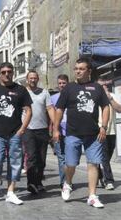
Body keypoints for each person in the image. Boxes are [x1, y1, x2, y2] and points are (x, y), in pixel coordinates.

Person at [53, 58, 110, 208]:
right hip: (72, 134)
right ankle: (68, 182)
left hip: (93, 134)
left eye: (81, 68)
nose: (78, 71)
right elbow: (59, 109)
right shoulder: (69, 88)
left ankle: (92, 195)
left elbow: (106, 107)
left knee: (93, 164)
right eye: (76, 68)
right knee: (70, 164)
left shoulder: (97, 88)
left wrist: (104, 127)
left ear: (89, 71)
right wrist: (56, 129)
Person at [0, 62, 32, 205]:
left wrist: (22, 129)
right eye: (3, 71)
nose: (6, 74)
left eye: (9, 71)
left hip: (15, 133)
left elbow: (28, 110)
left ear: (13, 72)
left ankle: (11, 192)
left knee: (15, 163)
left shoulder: (21, 90)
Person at [22, 70, 55, 194]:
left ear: (38, 79)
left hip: (42, 129)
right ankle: (31, 183)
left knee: (41, 159)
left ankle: (38, 182)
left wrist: (55, 126)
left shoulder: (44, 92)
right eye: (30, 78)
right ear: (27, 79)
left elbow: (50, 109)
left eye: (35, 78)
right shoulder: (22, 92)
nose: (33, 80)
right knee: (31, 157)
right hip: (28, 129)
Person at [96, 78, 116, 190]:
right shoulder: (94, 97)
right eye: (100, 85)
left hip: (112, 131)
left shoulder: (111, 95)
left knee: (106, 157)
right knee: (103, 156)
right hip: (99, 130)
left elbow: (119, 109)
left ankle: (99, 175)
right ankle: (109, 180)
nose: (103, 87)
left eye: (105, 85)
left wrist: (110, 99)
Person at [50, 74, 69, 188]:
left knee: (70, 158)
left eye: (64, 83)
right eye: (60, 83)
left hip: (71, 130)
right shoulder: (53, 98)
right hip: (59, 131)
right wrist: (52, 131)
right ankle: (64, 182)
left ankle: (68, 179)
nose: (61, 85)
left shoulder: (72, 95)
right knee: (61, 157)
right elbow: (51, 117)